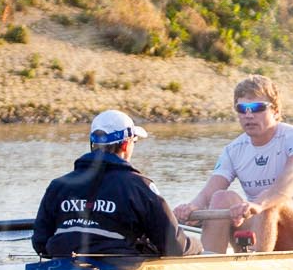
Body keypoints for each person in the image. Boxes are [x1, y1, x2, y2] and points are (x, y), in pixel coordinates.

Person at [172, 75, 293, 253]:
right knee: (221, 197)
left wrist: (260, 203)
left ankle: (258, 269)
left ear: (275, 111)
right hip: (262, 227)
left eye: (257, 108)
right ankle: (210, 266)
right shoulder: (233, 149)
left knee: (273, 202)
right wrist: (193, 207)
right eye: (242, 108)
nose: (248, 115)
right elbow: (210, 190)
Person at [33, 110, 195, 261]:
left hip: (63, 268)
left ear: (93, 144)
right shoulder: (139, 187)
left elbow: (40, 243)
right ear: (125, 145)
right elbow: (175, 247)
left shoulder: (58, 185)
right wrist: (197, 245)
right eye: (135, 142)